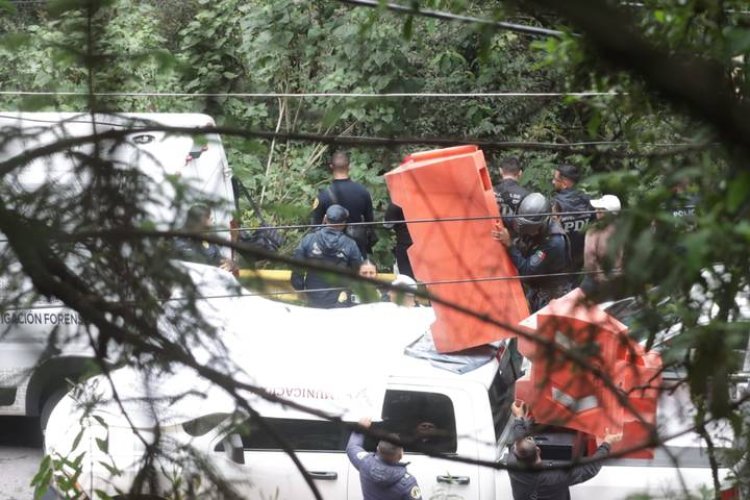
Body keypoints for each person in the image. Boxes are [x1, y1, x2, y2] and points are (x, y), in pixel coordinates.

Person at [507, 400, 623, 500]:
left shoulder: (511, 463)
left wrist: (519, 418)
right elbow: (590, 469)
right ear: (538, 450)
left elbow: (519, 442)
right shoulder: (555, 476)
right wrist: (607, 443)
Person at [493, 193, 573, 312]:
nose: (529, 232)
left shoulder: (554, 241)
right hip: (537, 291)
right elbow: (514, 222)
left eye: (531, 229)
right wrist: (498, 207)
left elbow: (527, 271)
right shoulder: (530, 223)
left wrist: (510, 245)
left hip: (551, 296)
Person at [291, 204, 363, 308]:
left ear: (325, 219)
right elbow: (358, 271)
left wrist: (300, 289)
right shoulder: (350, 244)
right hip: (340, 299)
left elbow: (297, 269)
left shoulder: (309, 239)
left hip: (313, 296)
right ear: (343, 224)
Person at [311, 150, 375, 256]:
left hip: (331, 250)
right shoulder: (363, 192)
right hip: (357, 248)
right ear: (349, 166)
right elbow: (370, 223)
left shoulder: (323, 195)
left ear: (331, 166)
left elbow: (315, 227)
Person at [347, 417, 423, 500]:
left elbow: (352, 447)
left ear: (377, 449)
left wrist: (361, 427)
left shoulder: (365, 463)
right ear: (401, 455)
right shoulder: (408, 483)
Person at [551, 164, 595, 278]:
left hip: (560, 262)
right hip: (582, 260)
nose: (552, 182)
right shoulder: (589, 202)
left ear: (565, 183)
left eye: (555, 179)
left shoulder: (554, 204)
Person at [581, 195, 623, 297]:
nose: (596, 211)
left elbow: (589, 259)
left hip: (597, 282)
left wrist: (597, 276)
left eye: (600, 210)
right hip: (620, 281)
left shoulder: (594, 231)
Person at [173, 204, 235, 272]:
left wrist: (229, 264)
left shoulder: (207, 240)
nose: (213, 221)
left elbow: (218, 258)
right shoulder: (176, 240)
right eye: (209, 218)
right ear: (199, 220)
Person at [495, 156, 531, 232]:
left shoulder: (491, 192)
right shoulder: (526, 195)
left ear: (500, 171)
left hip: (493, 236)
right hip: (516, 239)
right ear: (520, 173)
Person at [383, 202, 414, 278]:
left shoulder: (396, 203)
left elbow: (387, 225)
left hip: (404, 243)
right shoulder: (423, 200)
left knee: (406, 275)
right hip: (424, 242)